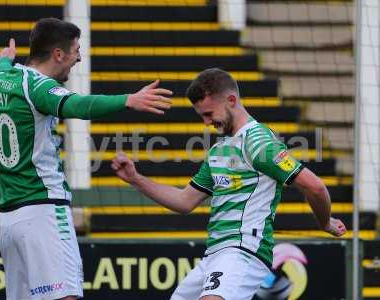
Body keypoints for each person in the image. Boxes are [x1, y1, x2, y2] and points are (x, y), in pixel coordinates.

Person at [111, 68, 347, 300]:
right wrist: (136, 179)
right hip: (214, 254)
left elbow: (314, 186)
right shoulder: (218, 151)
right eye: (202, 116)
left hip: (244, 250)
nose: (206, 122)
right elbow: (184, 201)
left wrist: (324, 222)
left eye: (209, 114)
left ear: (232, 100)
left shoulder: (258, 143)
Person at [0, 18, 172, 300]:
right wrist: (128, 100)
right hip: (43, 210)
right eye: (76, 50)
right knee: (65, 296)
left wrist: (3, 61)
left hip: (9, 219)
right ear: (58, 54)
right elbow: (77, 105)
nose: (79, 57)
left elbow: (3, 66)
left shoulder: (1, 78)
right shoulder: (38, 88)